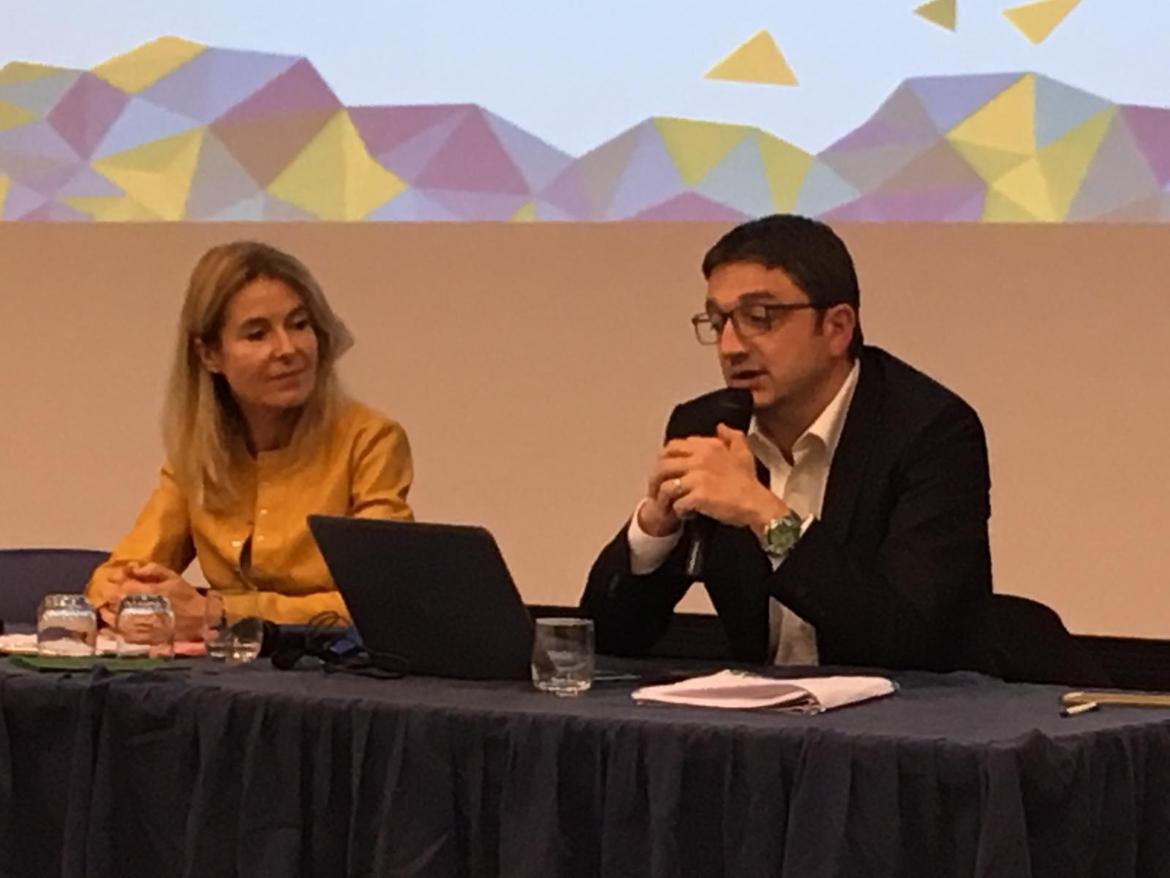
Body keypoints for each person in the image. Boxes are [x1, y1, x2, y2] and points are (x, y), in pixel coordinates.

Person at [580, 214, 993, 672]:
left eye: (759, 318)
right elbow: (607, 639)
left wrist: (765, 515)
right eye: (718, 322)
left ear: (837, 328)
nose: (730, 347)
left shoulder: (930, 431)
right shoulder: (712, 426)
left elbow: (909, 637)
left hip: (905, 711)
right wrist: (656, 530)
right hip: (763, 710)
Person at [86, 241, 413, 639]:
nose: (288, 349)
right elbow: (117, 576)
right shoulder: (198, 454)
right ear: (209, 355)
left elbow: (381, 602)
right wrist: (130, 596)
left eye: (299, 324)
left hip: (333, 668)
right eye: (258, 335)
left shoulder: (370, 439)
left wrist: (220, 611)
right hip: (230, 668)